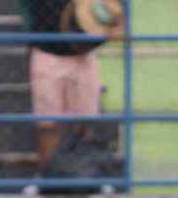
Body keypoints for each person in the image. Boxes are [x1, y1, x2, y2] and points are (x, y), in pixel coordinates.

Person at [18, 0, 119, 170]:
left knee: (85, 121)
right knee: (47, 123)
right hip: (47, 50)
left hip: (83, 53)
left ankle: (87, 171)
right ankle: (46, 177)